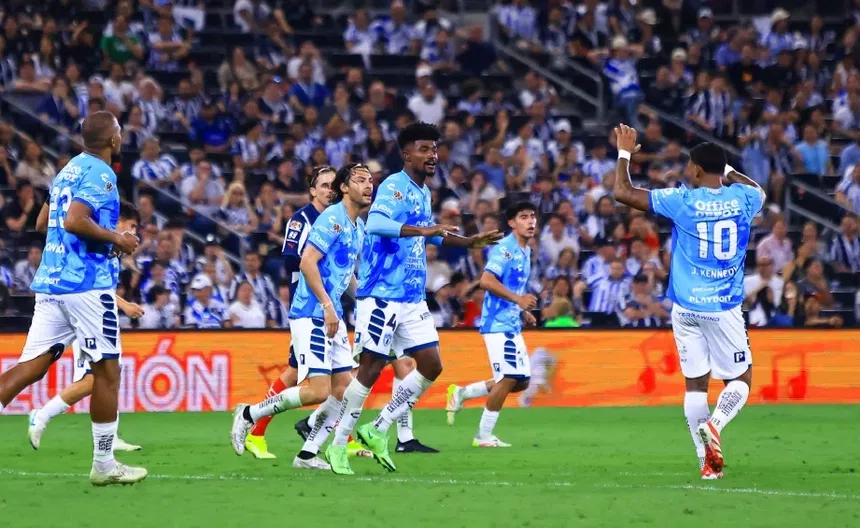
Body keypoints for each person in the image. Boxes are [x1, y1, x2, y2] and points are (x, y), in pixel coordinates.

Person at [323, 122, 502, 476]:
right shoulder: (394, 186)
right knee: (371, 369)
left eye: (434, 149)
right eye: (424, 149)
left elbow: (430, 235)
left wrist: (467, 242)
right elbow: (377, 223)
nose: (432, 155)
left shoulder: (423, 192)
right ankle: (338, 445)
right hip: (381, 294)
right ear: (406, 154)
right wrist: (423, 229)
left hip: (411, 296)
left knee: (432, 366)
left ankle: (377, 428)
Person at [0, 111, 145, 486]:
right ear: (111, 140)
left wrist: (96, 242)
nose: (120, 138)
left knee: (31, 367)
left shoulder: (67, 170)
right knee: (107, 373)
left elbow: (43, 223)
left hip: (52, 281)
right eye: (118, 133)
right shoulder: (102, 174)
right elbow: (74, 220)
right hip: (86, 286)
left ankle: (103, 462)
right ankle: (104, 465)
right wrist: (117, 239)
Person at [614, 125, 764, 480]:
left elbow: (623, 192)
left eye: (689, 166)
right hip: (723, 306)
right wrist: (727, 170)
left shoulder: (683, 201)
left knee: (696, 384)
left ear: (696, 170)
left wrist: (623, 154)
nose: (686, 171)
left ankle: (706, 463)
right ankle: (716, 425)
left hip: (686, 308)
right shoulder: (744, 198)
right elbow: (757, 189)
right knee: (740, 379)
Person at [231, 163, 372, 470]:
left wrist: (364, 302)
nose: (369, 186)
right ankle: (249, 414)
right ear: (344, 188)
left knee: (343, 390)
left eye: (370, 180)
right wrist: (326, 305)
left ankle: (307, 454)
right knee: (318, 389)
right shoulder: (327, 219)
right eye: (361, 180)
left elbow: (345, 272)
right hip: (312, 312)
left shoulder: (356, 226)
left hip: (331, 313)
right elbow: (305, 262)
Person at [27, 203, 145, 452]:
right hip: (86, 315)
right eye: (132, 225)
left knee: (111, 374)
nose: (135, 232)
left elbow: (101, 288)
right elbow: (88, 288)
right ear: (118, 221)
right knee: (94, 379)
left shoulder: (112, 248)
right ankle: (42, 415)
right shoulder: (96, 242)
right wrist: (125, 306)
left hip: (101, 314)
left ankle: (110, 436)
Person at [445, 202, 538, 447]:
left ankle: (462, 393)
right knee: (508, 377)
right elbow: (486, 281)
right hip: (497, 322)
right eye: (524, 217)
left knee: (521, 381)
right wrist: (519, 300)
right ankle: (483, 436)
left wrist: (521, 311)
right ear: (512, 223)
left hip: (511, 321)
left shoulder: (525, 251)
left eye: (532, 216)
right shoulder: (505, 249)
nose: (530, 221)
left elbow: (511, 286)